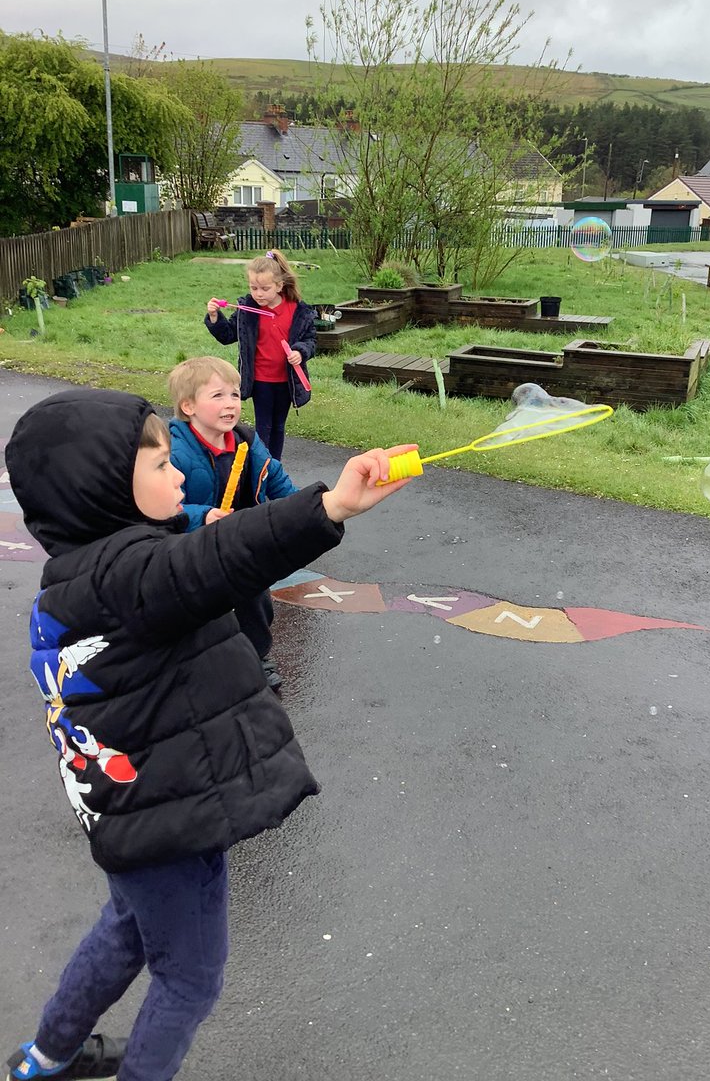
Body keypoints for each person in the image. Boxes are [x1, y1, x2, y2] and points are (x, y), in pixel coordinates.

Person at [4, 387, 414, 1081]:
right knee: (189, 979)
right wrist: (328, 508)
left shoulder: (83, 572)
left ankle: (44, 1057)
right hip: (168, 819)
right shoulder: (131, 576)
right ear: (101, 488)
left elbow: (195, 555)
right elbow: (215, 559)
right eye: (159, 466)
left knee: (126, 929)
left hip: (134, 814)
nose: (177, 477)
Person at [167, 356, 297, 692]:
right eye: (218, 396)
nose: (230, 404)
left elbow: (275, 478)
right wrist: (202, 515)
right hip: (193, 543)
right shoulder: (174, 451)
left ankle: (257, 656)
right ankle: (193, 661)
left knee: (254, 597)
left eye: (235, 395)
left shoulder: (246, 440)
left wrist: (304, 508)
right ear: (188, 406)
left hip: (240, 539)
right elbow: (163, 507)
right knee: (199, 606)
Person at [204, 248, 315, 461]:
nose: (258, 294)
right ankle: (261, 467)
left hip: (287, 381)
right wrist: (214, 316)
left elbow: (310, 340)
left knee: (279, 426)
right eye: (253, 288)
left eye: (265, 288)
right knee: (263, 427)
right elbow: (228, 335)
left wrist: (300, 352)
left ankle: (274, 467)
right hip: (261, 381)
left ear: (279, 286)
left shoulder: (297, 310)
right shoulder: (247, 310)